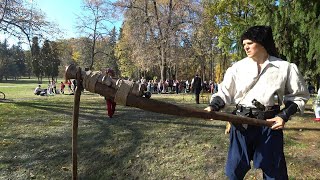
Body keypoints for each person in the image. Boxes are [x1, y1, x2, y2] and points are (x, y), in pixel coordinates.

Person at [204, 26, 309, 179]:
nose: (245, 47)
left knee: (274, 172)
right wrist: (213, 106)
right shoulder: (237, 68)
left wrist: (283, 116)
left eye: (249, 43)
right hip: (241, 122)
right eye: (243, 44)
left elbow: (299, 96)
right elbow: (224, 93)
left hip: (270, 124)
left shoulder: (284, 67)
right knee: (234, 171)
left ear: (262, 42)